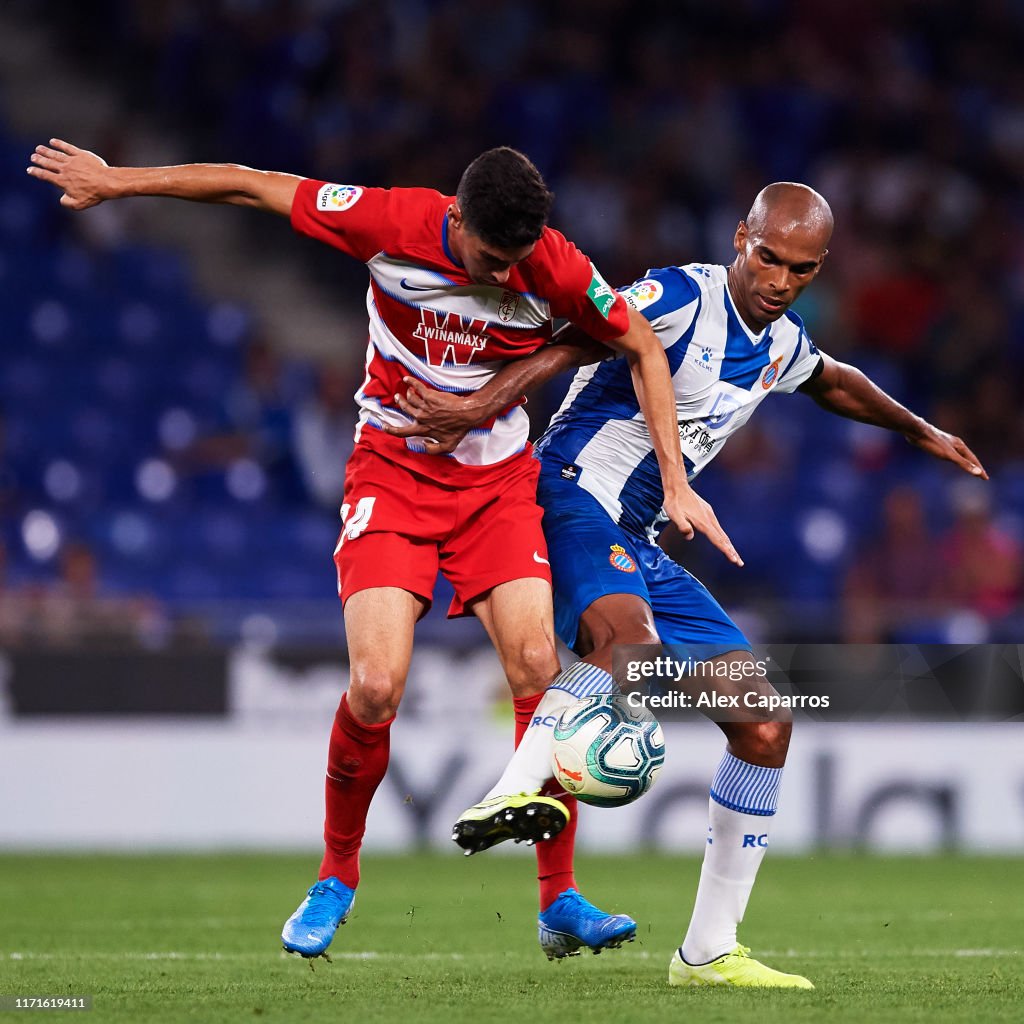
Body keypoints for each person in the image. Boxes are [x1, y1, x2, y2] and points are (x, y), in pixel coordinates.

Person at [28, 139, 741, 961]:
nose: (502, 276)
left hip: (498, 487)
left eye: (515, 262)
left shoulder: (552, 264)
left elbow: (640, 344)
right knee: (374, 686)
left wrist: (677, 483)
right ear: (457, 219)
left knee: (541, 666)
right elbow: (255, 185)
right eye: (487, 257)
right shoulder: (392, 219)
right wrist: (120, 182)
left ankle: (559, 898)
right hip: (393, 478)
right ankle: (336, 876)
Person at [386, 182, 988, 986]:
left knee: (766, 723)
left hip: (637, 539)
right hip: (569, 493)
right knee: (627, 648)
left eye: (800, 270)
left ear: (819, 269)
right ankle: (511, 789)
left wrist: (923, 430)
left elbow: (834, 380)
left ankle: (706, 952)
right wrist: (485, 403)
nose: (778, 279)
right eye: (767, 256)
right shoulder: (676, 294)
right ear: (741, 236)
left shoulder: (782, 343)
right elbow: (572, 339)